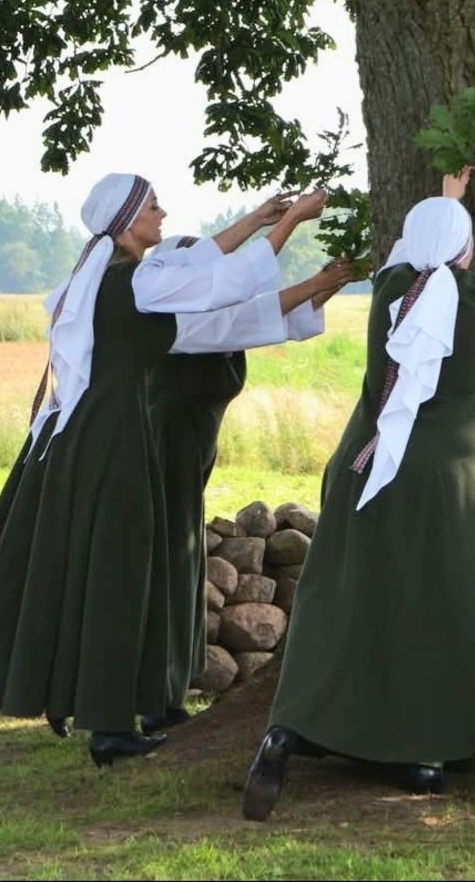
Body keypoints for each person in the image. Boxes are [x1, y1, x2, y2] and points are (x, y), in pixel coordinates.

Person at [0, 175, 324, 779]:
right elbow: (217, 278)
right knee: (116, 570)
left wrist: (259, 217)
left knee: (30, 573)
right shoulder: (135, 282)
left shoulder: (110, 278)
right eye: (154, 206)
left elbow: (204, 269)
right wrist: (290, 222)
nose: (163, 213)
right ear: (128, 219)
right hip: (108, 441)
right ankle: (107, 728)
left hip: (70, 440)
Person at [241, 168, 475, 820]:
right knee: (434, 605)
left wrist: (446, 201)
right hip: (445, 476)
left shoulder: (389, 289)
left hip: (364, 468)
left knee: (347, 600)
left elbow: (416, 249)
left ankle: (287, 730)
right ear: (464, 250)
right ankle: (424, 753)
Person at [142, 230, 359, 734]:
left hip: (191, 444)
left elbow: (272, 321)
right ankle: (154, 695)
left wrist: (332, 283)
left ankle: (169, 689)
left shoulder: (211, 319)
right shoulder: (181, 321)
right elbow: (252, 317)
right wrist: (318, 279)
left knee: (184, 560)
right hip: (167, 443)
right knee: (169, 562)